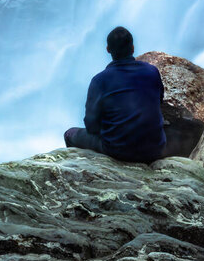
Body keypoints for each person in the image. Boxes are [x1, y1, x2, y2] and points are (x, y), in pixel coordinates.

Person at [64, 26, 166, 163]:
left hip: (119, 150)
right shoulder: (152, 71)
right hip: (155, 148)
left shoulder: (99, 81)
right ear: (133, 48)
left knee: (70, 134)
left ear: (108, 50)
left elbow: (91, 125)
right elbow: (159, 102)